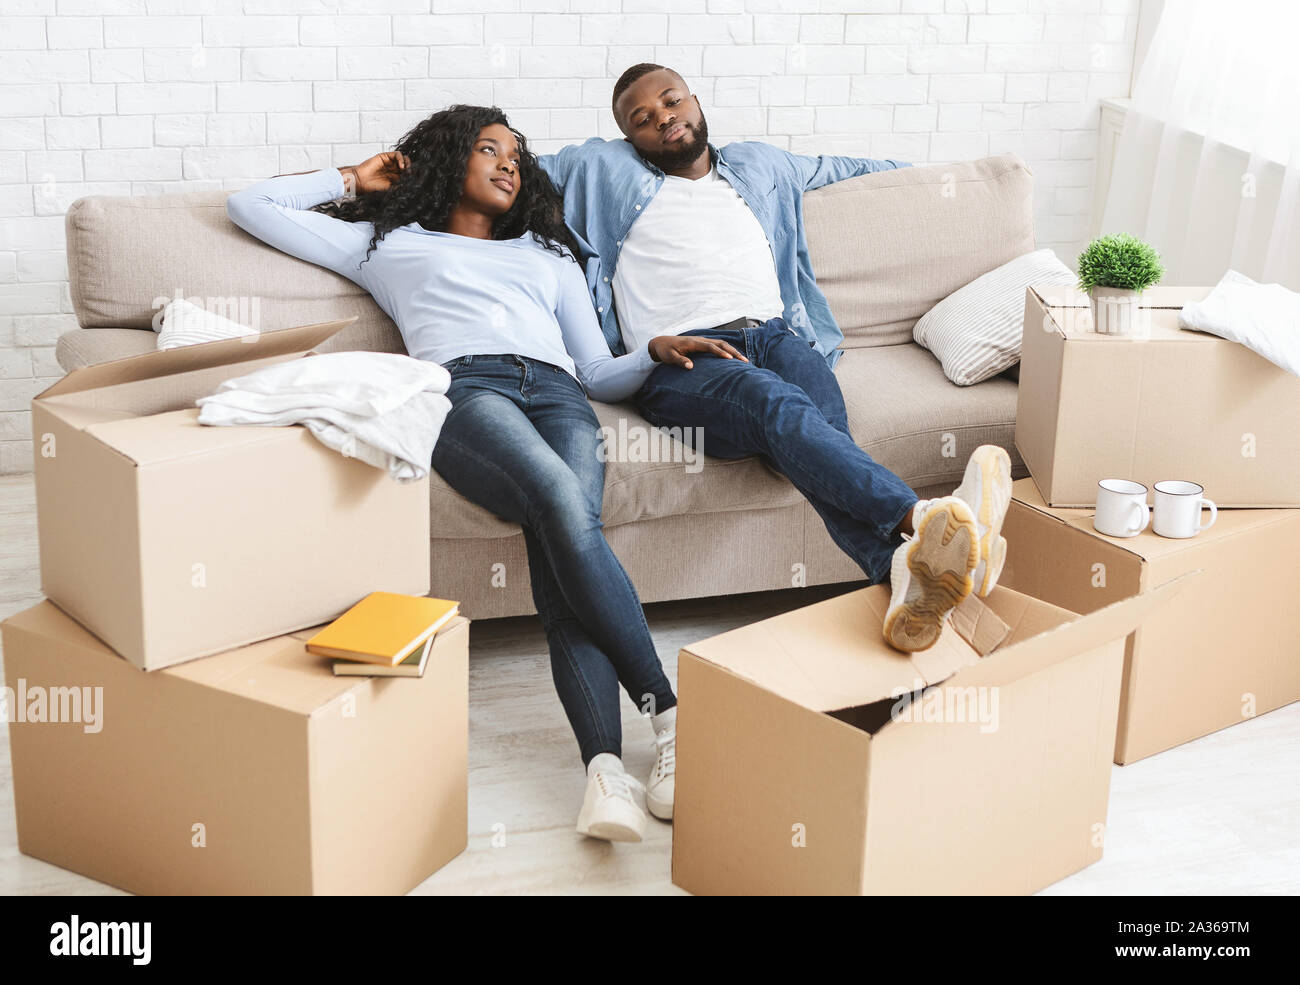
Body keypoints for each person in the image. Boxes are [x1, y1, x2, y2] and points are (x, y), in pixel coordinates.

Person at [225, 104, 723, 841]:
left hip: (558, 394)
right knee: (558, 497)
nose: (507, 164)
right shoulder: (385, 244)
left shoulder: (546, 255)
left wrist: (650, 351)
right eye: (488, 149)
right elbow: (249, 205)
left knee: (563, 550)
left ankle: (606, 776)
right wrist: (359, 177)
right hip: (464, 389)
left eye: (516, 156)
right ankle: (670, 711)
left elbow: (592, 370)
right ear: (447, 158)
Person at [535, 64, 1014, 652]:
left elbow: (846, 170)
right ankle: (922, 518)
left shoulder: (761, 166)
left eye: (671, 101)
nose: (663, 117)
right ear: (629, 138)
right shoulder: (598, 168)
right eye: (643, 118)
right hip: (683, 358)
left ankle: (900, 572)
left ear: (695, 101)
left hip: (777, 337)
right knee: (773, 402)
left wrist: (944, 177)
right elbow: (507, 166)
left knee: (818, 428)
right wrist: (399, 175)